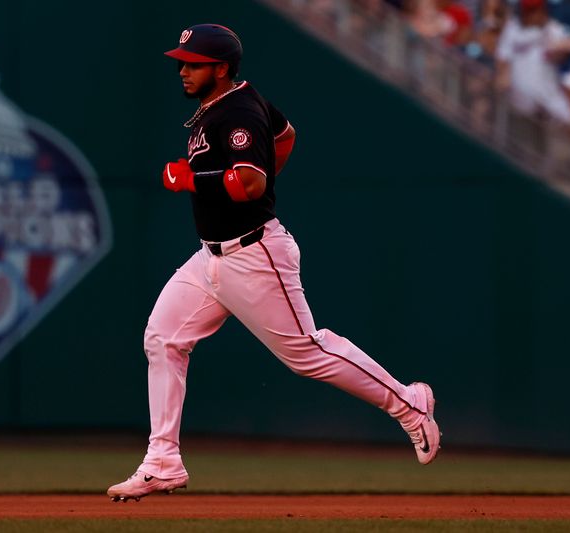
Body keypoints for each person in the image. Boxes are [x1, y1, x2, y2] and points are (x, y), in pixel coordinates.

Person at [106, 24, 442, 503]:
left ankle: (410, 404)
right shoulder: (236, 102)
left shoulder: (237, 109)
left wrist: (191, 180)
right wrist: (245, 168)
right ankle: (162, 463)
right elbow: (285, 136)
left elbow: (251, 185)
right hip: (211, 256)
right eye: (181, 61)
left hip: (254, 253)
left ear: (220, 68)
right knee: (164, 338)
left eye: (193, 63)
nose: (182, 70)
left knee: (307, 353)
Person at [495, 0, 570, 124]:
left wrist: (557, 50)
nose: (533, 14)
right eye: (529, 11)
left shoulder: (553, 29)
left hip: (548, 100)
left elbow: (569, 48)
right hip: (519, 101)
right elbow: (502, 59)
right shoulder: (512, 28)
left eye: (536, 10)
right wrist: (503, 75)